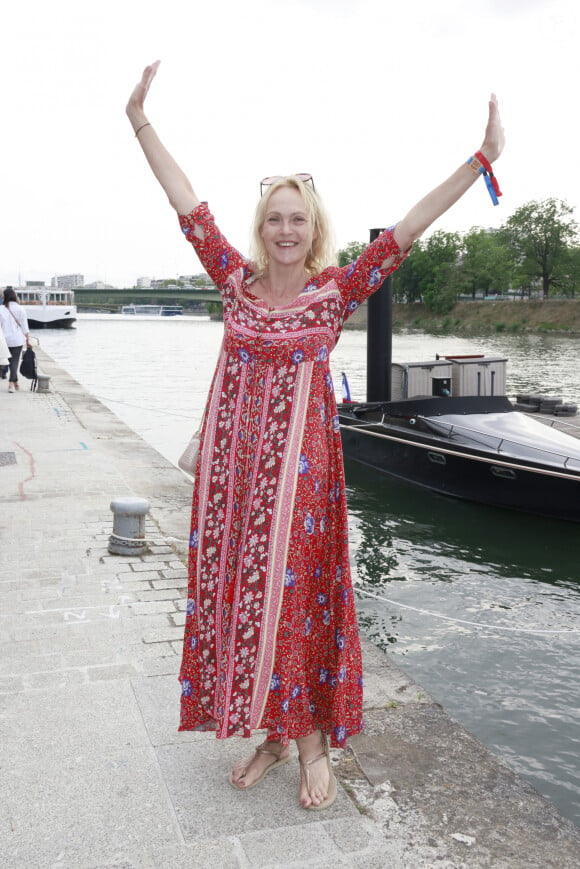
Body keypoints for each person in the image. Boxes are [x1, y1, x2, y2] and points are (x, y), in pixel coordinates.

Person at [126, 61, 504, 810]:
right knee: (245, 597)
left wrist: (482, 159)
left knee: (294, 604)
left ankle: (311, 745)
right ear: (262, 228)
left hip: (301, 482)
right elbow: (183, 199)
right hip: (234, 480)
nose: (287, 229)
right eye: (276, 217)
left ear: (314, 228)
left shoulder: (334, 295)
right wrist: (139, 120)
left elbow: (409, 228)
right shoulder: (233, 281)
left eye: (299, 218)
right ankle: (270, 732)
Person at [0, 287, 30, 393]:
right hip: (17, 340)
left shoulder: (1, 309)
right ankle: (11, 383)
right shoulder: (21, 309)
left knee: (9, 362)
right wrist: (28, 340)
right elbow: (25, 327)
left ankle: (14, 381)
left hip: (5, 340)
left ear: (5, 297)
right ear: (14, 296)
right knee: (15, 361)